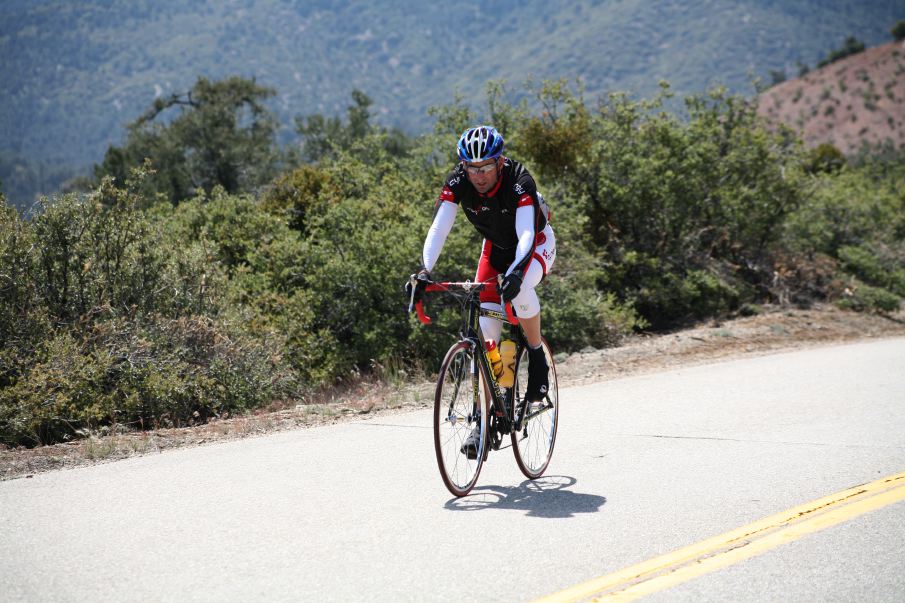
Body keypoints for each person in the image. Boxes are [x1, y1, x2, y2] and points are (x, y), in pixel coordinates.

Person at [408, 125, 557, 457]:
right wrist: (425, 271)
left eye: (486, 166)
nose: (479, 175)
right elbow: (439, 227)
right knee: (488, 337)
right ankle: (485, 418)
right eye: (472, 168)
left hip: (534, 244)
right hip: (496, 249)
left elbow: (524, 235)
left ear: (500, 161)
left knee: (518, 292)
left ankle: (535, 354)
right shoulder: (459, 181)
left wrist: (517, 273)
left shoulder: (519, 180)